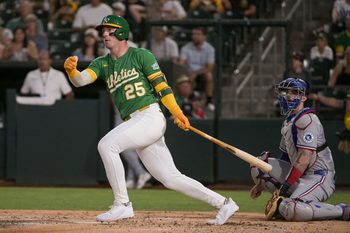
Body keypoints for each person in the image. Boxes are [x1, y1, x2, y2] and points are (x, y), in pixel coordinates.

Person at [63, 15, 238, 225]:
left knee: (106, 145)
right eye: (103, 30)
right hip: (135, 121)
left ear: (122, 32)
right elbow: (81, 81)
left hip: (149, 116)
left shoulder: (141, 55)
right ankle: (225, 203)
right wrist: (72, 71)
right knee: (170, 178)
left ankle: (123, 205)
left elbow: (162, 88)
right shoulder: (102, 63)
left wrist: (177, 112)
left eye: (109, 30)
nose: (104, 34)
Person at [250, 77, 350, 221]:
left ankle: (341, 210)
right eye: (285, 91)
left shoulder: (307, 119)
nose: (288, 95)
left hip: (320, 177)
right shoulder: (288, 122)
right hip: (300, 175)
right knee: (258, 164)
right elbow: (285, 158)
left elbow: (303, 160)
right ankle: (291, 202)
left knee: (292, 209)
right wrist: (260, 184)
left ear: (303, 97)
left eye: (294, 92)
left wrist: (284, 189)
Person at [114, 107, 152, 189]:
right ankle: (130, 178)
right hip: (132, 112)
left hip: (127, 111)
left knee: (122, 146)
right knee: (130, 148)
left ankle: (141, 172)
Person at [179, 27, 215, 111]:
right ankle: (186, 100)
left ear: (204, 36)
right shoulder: (186, 48)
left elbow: (210, 67)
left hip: (202, 73)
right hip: (188, 73)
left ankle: (209, 101)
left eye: (198, 34)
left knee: (209, 76)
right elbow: (182, 63)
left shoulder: (210, 49)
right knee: (182, 77)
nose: (194, 36)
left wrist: (196, 73)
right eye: (193, 34)